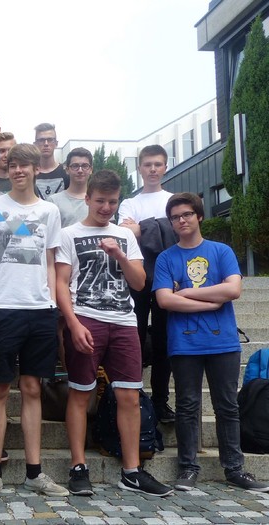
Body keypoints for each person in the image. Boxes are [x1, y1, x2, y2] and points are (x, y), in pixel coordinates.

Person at [56, 170, 173, 497]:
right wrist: (74, 323)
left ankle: (132, 471)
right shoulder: (69, 234)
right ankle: (78, 466)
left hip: (124, 321)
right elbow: (60, 285)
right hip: (86, 318)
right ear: (88, 199)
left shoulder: (125, 236)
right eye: (100, 201)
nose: (106, 207)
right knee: (81, 394)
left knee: (129, 396)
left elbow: (139, 283)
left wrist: (120, 254)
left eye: (112, 201)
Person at [154, 193, 269, 492]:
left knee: (227, 406)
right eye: (175, 217)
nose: (181, 220)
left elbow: (233, 290)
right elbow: (165, 300)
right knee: (188, 406)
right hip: (184, 344)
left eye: (187, 214)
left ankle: (235, 468)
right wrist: (208, 301)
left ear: (199, 216)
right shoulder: (167, 258)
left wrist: (186, 293)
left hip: (224, 344)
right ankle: (188, 467)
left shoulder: (221, 251)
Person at [0, 144, 68, 499]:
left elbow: (51, 260)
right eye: (13, 165)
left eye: (25, 165)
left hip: (39, 309)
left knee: (31, 389)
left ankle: (34, 472)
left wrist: (54, 304)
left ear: (36, 170)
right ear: (6, 169)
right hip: (1, 306)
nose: (19, 171)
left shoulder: (49, 211)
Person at [118, 144, 175, 424]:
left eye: (158, 164)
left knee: (164, 340)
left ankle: (161, 400)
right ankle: (136, 396)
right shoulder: (130, 202)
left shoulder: (174, 199)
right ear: (139, 168)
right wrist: (161, 227)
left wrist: (143, 228)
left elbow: (178, 230)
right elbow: (124, 232)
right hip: (138, 276)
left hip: (170, 277)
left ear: (165, 167)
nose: (153, 169)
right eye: (147, 164)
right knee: (135, 339)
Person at [48, 147, 92, 228]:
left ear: (91, 170)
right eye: (75, 166)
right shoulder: (53, 201)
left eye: (85, 166)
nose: (80, 170)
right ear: (67, 170)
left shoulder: (100, 200)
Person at [33, 123, 69, 199]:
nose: (46, 144)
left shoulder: (66, 172)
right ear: (35, 144)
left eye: (50, 140)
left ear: (56, 143)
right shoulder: (30, 172)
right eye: (41, 140)